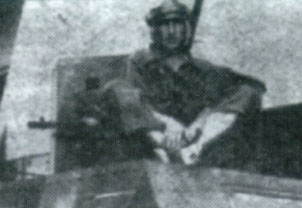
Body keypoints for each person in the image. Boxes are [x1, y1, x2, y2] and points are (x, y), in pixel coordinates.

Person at [101, 0, 265, 166]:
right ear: (156, 29)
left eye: (177, 24)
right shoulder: (140, 61)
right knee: (116, 88)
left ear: (186, 28)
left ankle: (192, 152)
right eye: (165, 24)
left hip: (193, 138)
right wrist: (167, 125)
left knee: (247, 92)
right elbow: (134, 100)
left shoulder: (203, 68)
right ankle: (163, 151)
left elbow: (253, 86)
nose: (171, 31)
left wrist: (202, 120)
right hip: (156, 134)